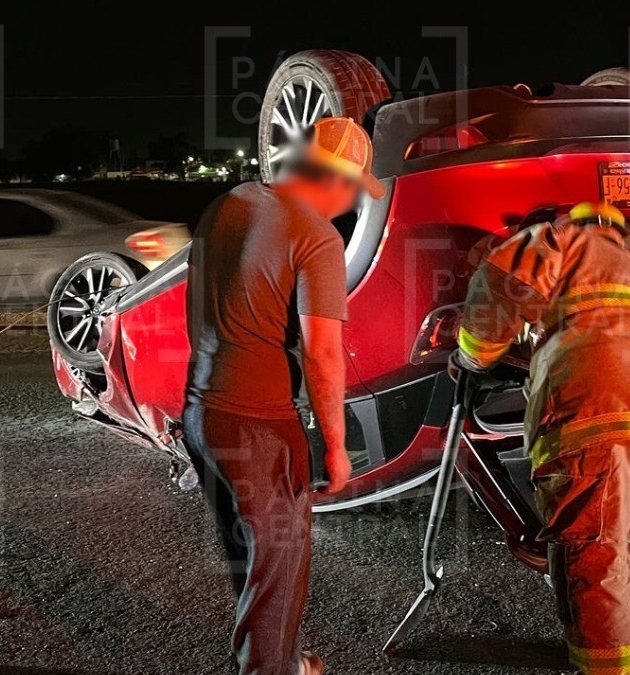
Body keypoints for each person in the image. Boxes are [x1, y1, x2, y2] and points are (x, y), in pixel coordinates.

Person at [454, 202, 630, 675]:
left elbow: (503, 281)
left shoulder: (559, 238)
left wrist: (471, 356)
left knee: (593, 557)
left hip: (597, 411)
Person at [182, 117, 385, 675]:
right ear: (337, 181)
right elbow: (323, 354)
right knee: (279, 567)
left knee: (248, 559)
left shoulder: (227, 205)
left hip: (201, 412)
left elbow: (193, 309)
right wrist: (337, 446)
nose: (350, 207)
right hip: (260, 424)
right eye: (354, 192)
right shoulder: (316, 237)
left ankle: (283, 660)